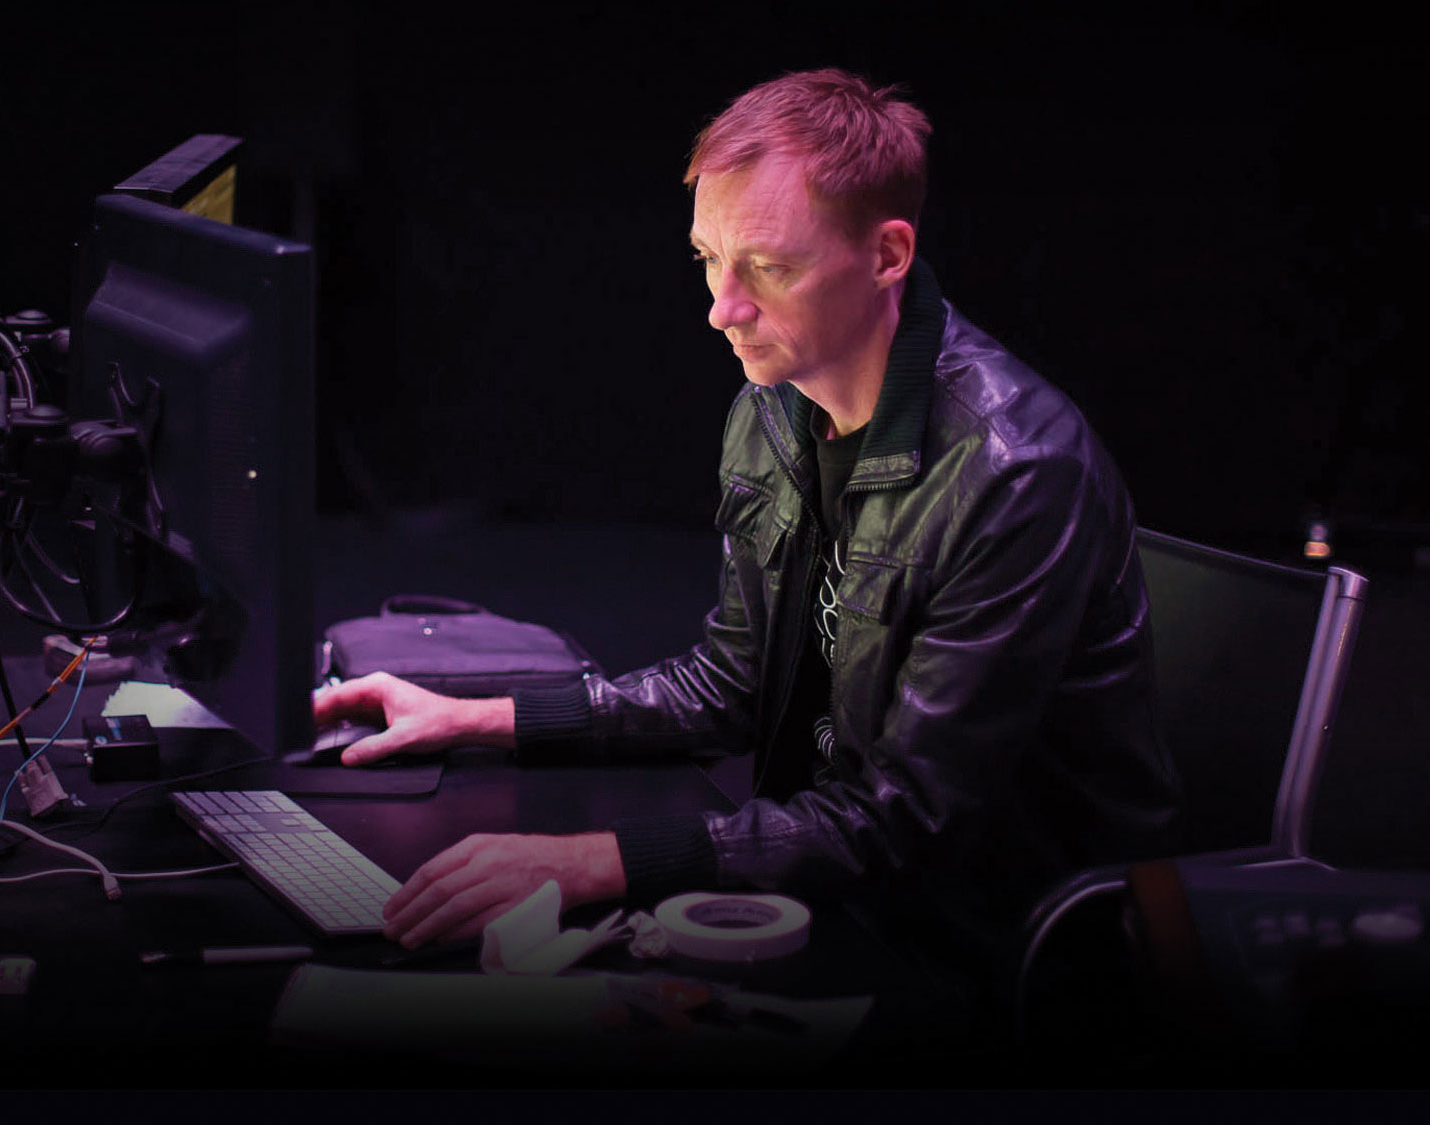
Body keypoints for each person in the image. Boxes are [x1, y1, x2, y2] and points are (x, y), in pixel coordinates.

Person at [311, 68, 1181, 1000]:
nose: (722, 308)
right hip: (825, 890)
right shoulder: (773, 408)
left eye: (768, 267)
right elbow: (730, 685)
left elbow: (906, 819)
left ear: (889, 255)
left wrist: (593, 861)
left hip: (991, 950)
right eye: (707, 260)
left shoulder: (1016, 471)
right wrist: (476, 717)